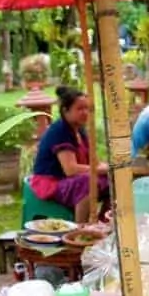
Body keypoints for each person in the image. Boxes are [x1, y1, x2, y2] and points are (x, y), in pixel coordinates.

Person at [31, 85, 110, 223]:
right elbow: (71, 170)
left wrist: (110, 168)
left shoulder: (80, 130)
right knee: (88, 182)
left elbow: (94, 162)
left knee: (113, 180)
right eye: (79, 109)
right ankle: (81, 229)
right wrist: (98, 169)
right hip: (51, 182)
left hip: (68, 180)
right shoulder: (60, 131)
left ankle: (104, 223)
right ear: (65, 111)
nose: (85, 113)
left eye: (87, 108)